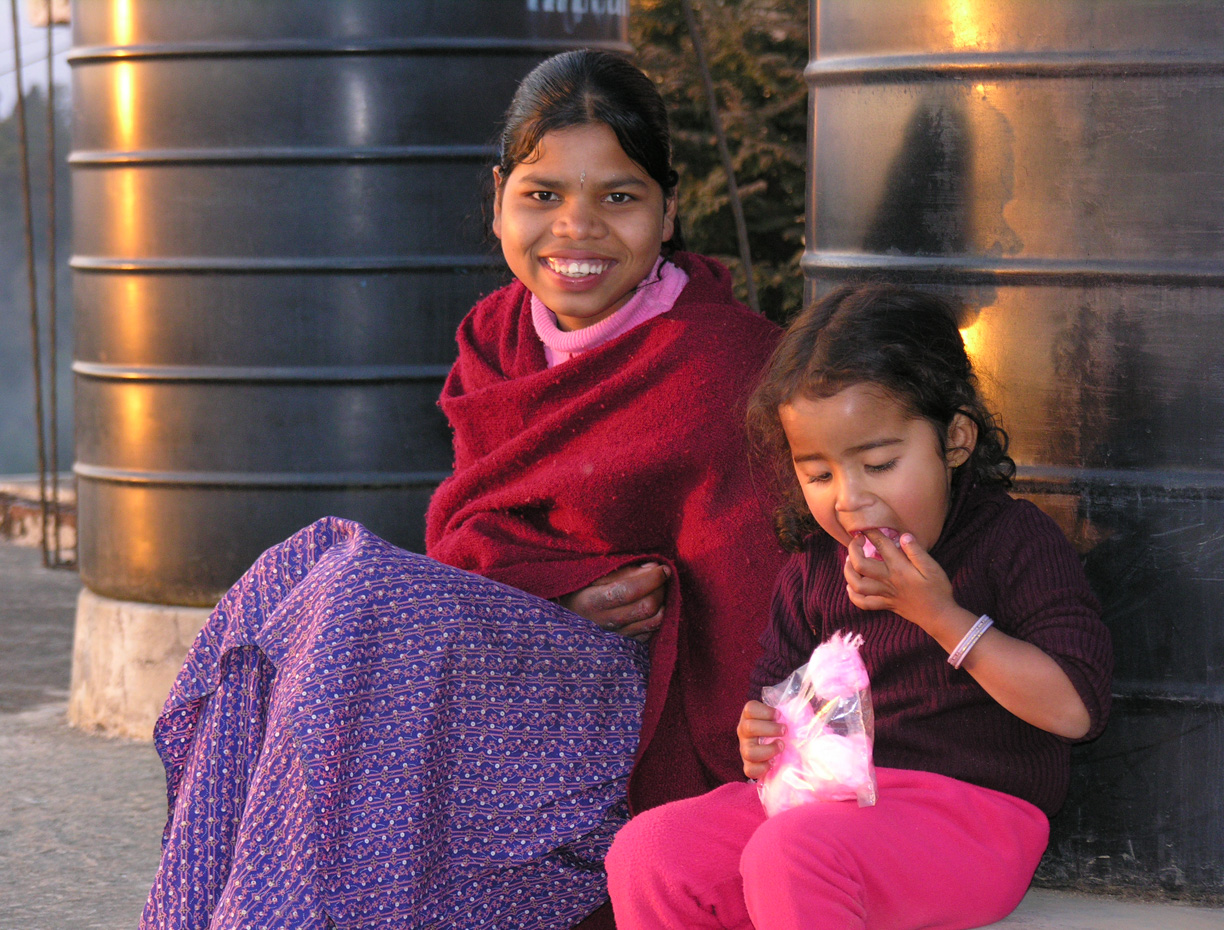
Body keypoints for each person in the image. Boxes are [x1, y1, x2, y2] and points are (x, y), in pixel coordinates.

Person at [138, 50, 787, 930]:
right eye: (543, 194)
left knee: (364, 599)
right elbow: (474, 542)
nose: (578, 228)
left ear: (669, 211)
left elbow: (755, 599)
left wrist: (565, 619)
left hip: (642, 705)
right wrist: (554, 598)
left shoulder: (726, 364)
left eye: (619, 197)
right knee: (305, 573)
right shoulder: (497, 334)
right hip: (510, 663)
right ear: (498, 200)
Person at [605, 284, 1114, 930]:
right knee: (650, 851)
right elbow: (775, 701)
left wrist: (940, 616)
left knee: (793, 852)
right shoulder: (814, 568)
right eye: (819, 475)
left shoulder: (1012, 541)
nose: (849, 500)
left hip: (976, 821)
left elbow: (1075, 710)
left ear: (956, 439)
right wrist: (759, 736)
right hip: (829, 806)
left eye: (879, 463)